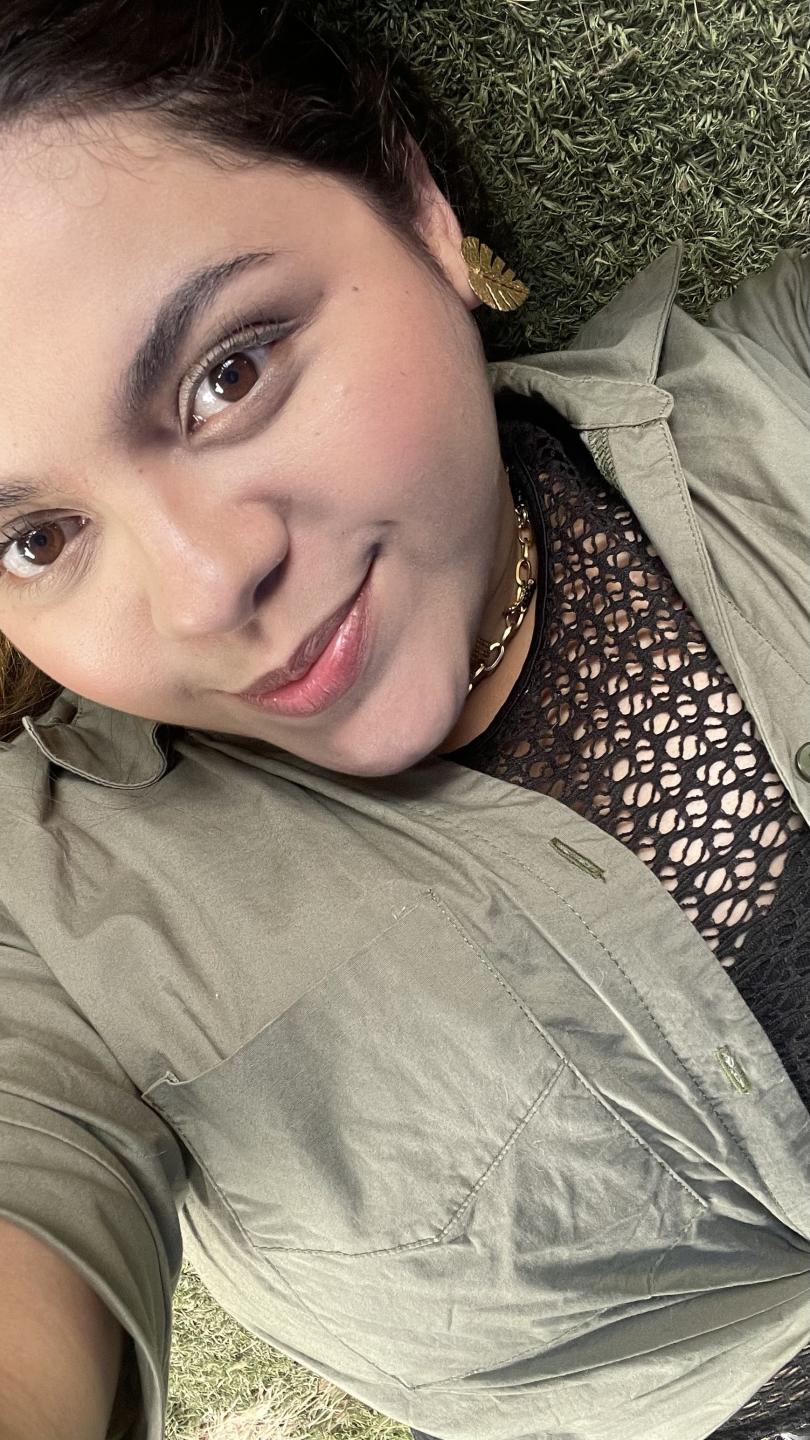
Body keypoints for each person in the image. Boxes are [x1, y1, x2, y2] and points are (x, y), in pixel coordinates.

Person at [0, 3, 807, 1439]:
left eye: (228, 373)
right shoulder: (45, 925)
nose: (203, 588)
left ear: (425, 216)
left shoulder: (780, 401)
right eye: (36, 539)